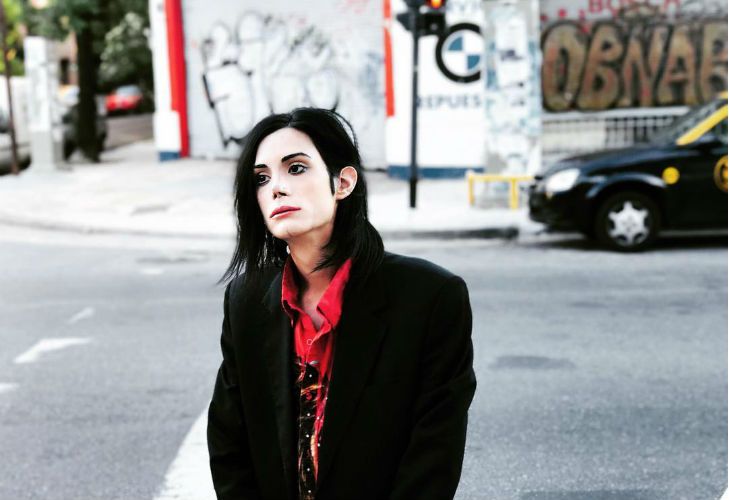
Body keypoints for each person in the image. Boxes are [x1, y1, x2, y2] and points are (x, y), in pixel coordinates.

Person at [207, 107, 476, 500]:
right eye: (261, 178)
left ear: (343, 183)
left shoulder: (431, 298)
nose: (276, 188)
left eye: (296, 168)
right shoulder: (245, 299)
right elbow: (229, 442)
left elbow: (433, 458)